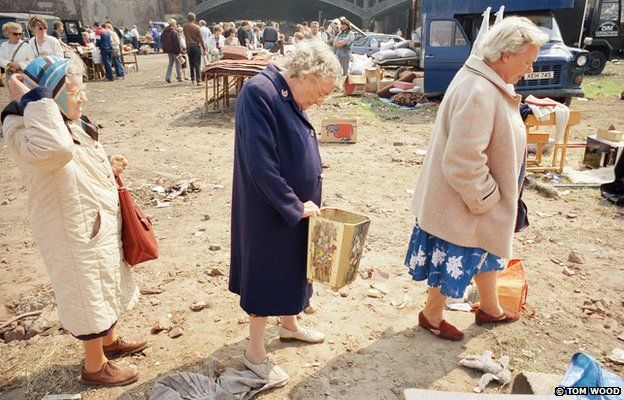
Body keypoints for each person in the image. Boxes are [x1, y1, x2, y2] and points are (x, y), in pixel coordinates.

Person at [2, 54, 146, 386]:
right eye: (76, 90)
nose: (84, 97)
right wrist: (36, 100)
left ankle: (108, 343)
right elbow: (57, 151)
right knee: (84, 290)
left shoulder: (66, 119)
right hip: (71, 227)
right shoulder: (24, 124)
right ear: (51, 95)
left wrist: (108, 164)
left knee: (102, 280)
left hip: (91, 220)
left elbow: (77, 158)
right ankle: (94, 366)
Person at [405, 16, 548, 341]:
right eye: (527, 61)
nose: (529, 69)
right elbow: (462, 160)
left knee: (488, 252)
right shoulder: (480, 90)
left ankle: (490, 307)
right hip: (466, 203)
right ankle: (431, 315)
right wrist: (488, 201)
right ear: (506, 55)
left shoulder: (485, 78)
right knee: (456, 259)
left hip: (471, 201)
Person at [230, 41, 342, 385]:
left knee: (294, 266)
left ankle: (290, 325)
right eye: (320, 93)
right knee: (266, 273)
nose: (319, 101)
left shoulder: (289, 93)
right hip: (268, 207)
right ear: (305, 75)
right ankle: (255, 353)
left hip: (296, 206)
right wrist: (294, 205)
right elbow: (261, 166)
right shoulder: (259, 93)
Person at [182, 12, 206, 86]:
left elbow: (185, 35)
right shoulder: (197, 27)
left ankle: (192, 79)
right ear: (194, 19)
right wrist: (204, 49)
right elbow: (201, 39)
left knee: (191, 63)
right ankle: (198, 80)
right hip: (196, 46)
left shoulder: (184, 26)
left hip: (189, 46)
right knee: (197, 64)